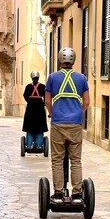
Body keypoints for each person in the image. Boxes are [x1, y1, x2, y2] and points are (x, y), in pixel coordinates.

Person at [45, 47, 90, 204]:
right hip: (75, 123)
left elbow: (47, 101)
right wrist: (78, 112)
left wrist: (52, 113)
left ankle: (58, 194)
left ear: (59, 60)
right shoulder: (81, 78)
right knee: (75, 160)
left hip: (58, 123)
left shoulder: (52, 77)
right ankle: (77, 194)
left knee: (57, 159)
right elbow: (86, 102)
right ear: (74, 60)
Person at [23, 71, 48, 150]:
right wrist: (43, 104)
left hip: (30, 109)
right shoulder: (43, 87)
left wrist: (30, 101)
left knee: (29, 128)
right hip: (40, 109)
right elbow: (46, 97)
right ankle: (39, 145)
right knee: (40, 127)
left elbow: (25, 96)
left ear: (32, 78)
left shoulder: (28, 87)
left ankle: (29, 145)